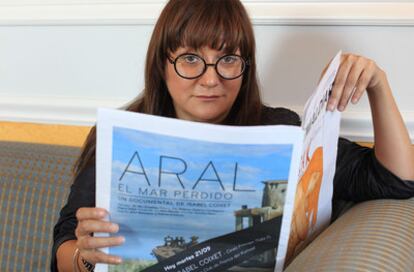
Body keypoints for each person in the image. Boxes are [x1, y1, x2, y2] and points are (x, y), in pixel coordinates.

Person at [51, 0, 414, 271]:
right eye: (190, 59)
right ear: (162, 66)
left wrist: (378, 85)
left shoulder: (280, 130)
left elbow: (397, 180)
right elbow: (63, 248)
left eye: (228, 60)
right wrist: (87, 257)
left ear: (245, 67)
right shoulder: (122, 133)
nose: (211, 79)